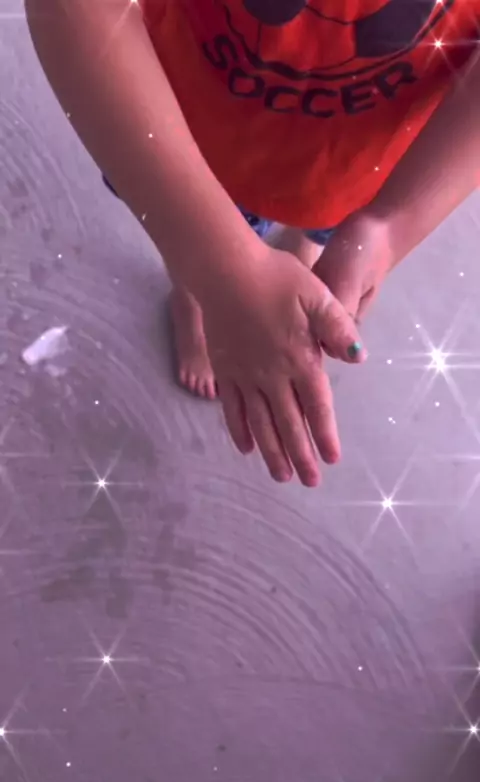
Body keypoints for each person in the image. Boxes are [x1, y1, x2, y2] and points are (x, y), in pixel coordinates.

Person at [25, 0, 480, 487]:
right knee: (198, 241)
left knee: (326, 228)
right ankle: (195, 292)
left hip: (360, 165)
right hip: (199, 139)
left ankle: (297, 252)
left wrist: (392, 223)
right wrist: (221, 267)